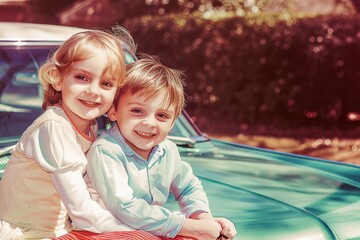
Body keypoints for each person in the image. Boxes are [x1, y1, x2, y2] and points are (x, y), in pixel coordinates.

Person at [0, 28, 159, 239]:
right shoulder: (53, 127)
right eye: (82, 77)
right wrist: (138, 231)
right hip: (27, 234)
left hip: (63, 230)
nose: (93, 90)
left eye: (106, 83)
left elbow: (94, 193)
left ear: (116, 93)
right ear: (57, 78)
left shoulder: (90, 126)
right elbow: (82, 211)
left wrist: (147, 220)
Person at [86, 55, 237, 240]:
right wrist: (191, 228)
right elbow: (125, 208)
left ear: (173, 122)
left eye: (162, 115)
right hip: (105, 231)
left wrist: (203, 220)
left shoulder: (168, 150)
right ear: (114, 112)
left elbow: (188, 187)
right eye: (137, 111)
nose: (149, 123)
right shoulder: (106, 150)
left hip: (148, 228)